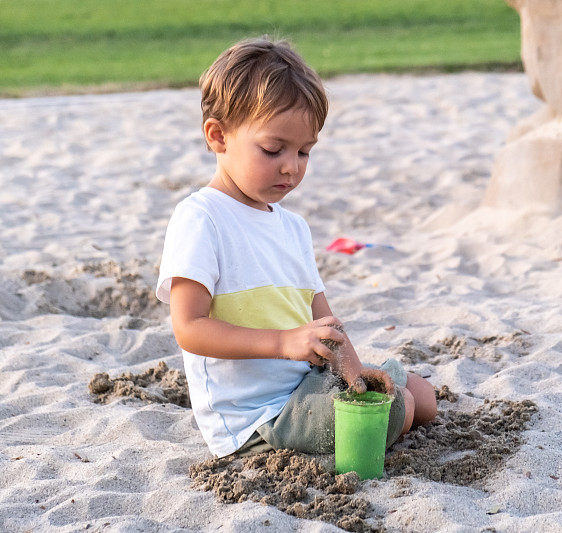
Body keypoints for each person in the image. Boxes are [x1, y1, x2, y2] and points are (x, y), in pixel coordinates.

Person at [155, 35, 437, 459]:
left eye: (305, 152)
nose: (292, 166)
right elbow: (189, 329)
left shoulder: (293, 228)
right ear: (218, 136)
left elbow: (324, 320)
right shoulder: (201, 219)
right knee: (401, 408)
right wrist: (283, 342)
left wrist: (353, 371)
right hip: (259, 417)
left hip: (308, 388)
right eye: (273, 149)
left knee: (421, 394)